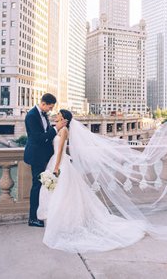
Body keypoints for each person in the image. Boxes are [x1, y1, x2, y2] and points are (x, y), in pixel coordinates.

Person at [38, 109, 146, 252]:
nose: (56, 115)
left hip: (60, 163)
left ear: (63, 118)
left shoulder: (64, 130)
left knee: (63, 193)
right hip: (55, 162)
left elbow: (60, 151)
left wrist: (56, 167)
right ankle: (59, 221)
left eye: (58, 114)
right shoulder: (56, 128)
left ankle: (66, 222)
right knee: (58, 193)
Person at [23, 93, 67, 227]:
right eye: (50, 107)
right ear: (44, 104)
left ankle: (44, 213)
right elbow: (38, 138)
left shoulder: (43, 114)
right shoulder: (31, 116)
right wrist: (56, 129)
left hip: (45, 157)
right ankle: (33, 218)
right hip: (36, 157)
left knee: (45, 187)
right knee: (36, 187)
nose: (51, 110)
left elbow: (46, 135)